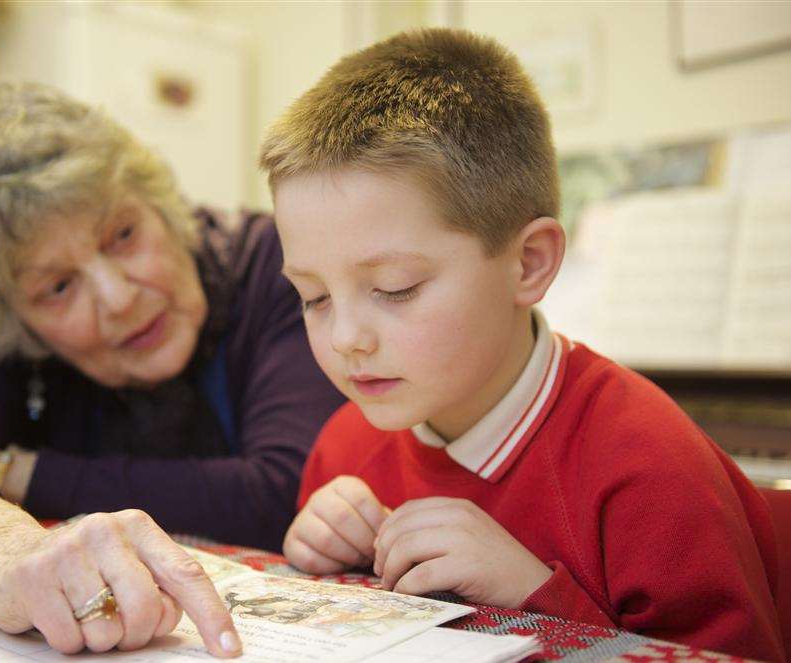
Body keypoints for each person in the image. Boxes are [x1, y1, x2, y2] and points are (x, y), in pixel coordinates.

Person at [260, 29, 785, 661]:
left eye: (395, 288)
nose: (345, 339)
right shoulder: (344, 446)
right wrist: (315, 561)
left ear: (529, 263)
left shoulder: (649, 469)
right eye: (313, 297)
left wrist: (538, 601)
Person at [0, 81, 344, 656]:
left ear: (161, 205)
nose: (117, 296)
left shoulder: (280, 268)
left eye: (123, 235)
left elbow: (283, 489)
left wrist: (20, 472)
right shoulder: (14, 339)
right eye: (57, 287)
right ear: (12, 323)